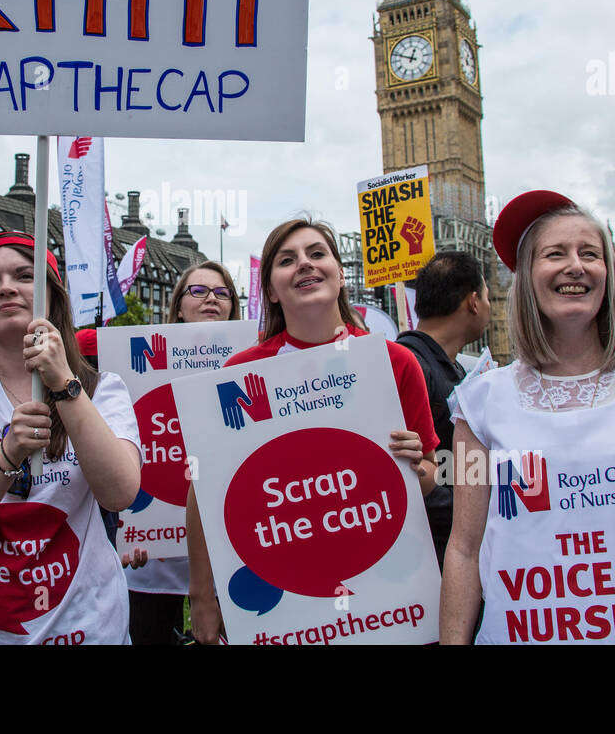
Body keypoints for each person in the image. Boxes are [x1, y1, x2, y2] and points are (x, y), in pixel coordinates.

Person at [441, 191, 615, 644]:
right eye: (554, 254)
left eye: (590, 253)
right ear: (526, 278)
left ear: (610, 275)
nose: (574, 265)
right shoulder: (478, 405)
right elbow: (464, 547)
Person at [186, 218, 437, 644]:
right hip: (285, 600)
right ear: (270, 289)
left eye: (317, 254)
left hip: (380, 598)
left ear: (340, 274)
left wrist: (414, 467)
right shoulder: (239, 376)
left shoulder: (395, 363)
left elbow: (429, 478)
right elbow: (203, 493)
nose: (305, 264)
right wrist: (203, 598)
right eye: (287, 260)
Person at [0, 232, 141, 644]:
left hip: (85, 625)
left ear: (51, 297)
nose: (6, 288)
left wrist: (64, 385)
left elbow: (119, 492)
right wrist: (8, 453)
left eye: (23, 275)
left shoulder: (102, 389)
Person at [127, 260, 241, 645]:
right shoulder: (137, 365)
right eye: (199, 290)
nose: (211, 298)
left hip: (228, 553)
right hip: (154, 559)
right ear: (178, 305)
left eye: (222, 292)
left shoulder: (252, 366)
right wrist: (130, 533)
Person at [396, 251, 491, 569]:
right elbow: (403, 473)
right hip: (430, 559)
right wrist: (469, 512)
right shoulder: (409, 368)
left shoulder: (460, 373)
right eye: (488, 297)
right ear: (474, 302)